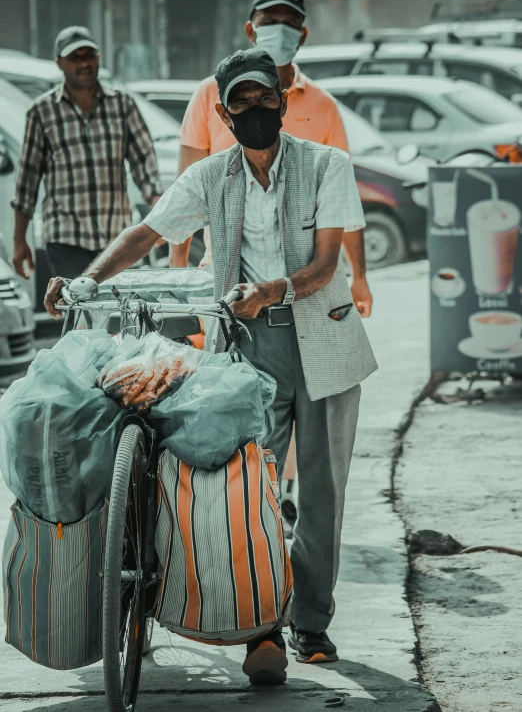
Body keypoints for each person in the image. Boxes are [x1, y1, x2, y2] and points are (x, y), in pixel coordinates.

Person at [45, 48, 377, 684]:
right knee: (252, 490)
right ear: (224, 114)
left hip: (325, 343)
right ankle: (264, 627)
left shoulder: (326, 165)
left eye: (265, 97)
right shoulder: (211, 177)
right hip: (250, 346)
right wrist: (86, 280)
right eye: (242, 102)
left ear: (281, 100)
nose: (257, 110)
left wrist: (270, 290)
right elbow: (146, 232)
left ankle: (311, 620)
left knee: (323, 490)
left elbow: (326, 265)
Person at [169, 0, 373, 319]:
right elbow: (183, 193)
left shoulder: (324, 107)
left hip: (307, 282)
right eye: (269, 21)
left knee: (312, 369)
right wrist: (178, 274)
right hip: (227, 276)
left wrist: (360, 277)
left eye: (290, 23)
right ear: (251, 30)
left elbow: (342, 203)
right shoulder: (211, 96)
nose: (280, 30)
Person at [12, 25, 163, 281]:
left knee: (117, 315)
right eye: (75, 57)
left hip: (117, 238)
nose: (83, 63)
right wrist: (19, 241)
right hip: (65, 239)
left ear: (98, 59)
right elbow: (27, 183)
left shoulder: (122, 105)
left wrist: (160, 220)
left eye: (88, 55)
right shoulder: (42, 112)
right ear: (59, 63)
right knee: (80, 314)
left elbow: (145, 168)